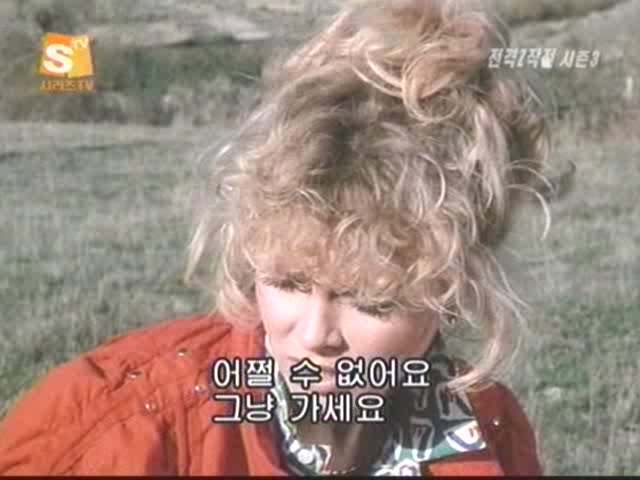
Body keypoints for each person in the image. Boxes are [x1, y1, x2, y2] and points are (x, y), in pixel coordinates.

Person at [0, 0, 550, 475]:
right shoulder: (116, 431)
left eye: (373, 300)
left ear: (454, 290)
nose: (314, 335)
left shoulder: (489, 428)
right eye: (288, 282)